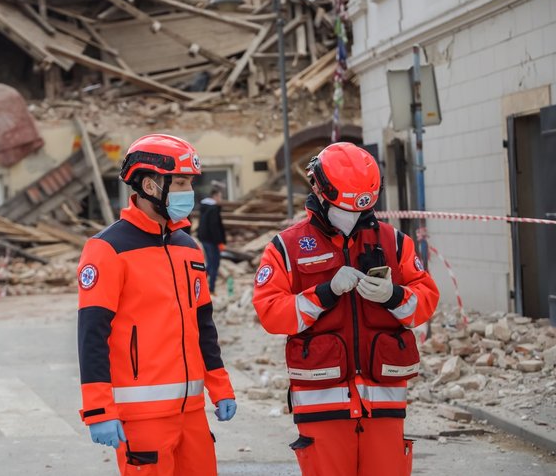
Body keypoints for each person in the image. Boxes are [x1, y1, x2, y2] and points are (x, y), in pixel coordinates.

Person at [251, 142, 440, 476]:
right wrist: (324, 293)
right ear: (319, 191)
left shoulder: (394, 242)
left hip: (384, 400)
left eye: (360, 209)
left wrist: (393, 296)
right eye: (345, 207)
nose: (353, 217)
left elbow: (425, 300)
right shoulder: (287, 247)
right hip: (321, 402)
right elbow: (271, 312)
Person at [77, 134, 237, 475]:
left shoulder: (189, 247)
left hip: (192, 416)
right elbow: (92, 335)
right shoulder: (107, 249)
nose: (188, 192)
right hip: (141, 419)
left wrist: (220, 387)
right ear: (150, 185)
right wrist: (98, 410)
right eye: (179, 182)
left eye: (189, 183)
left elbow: (203, 327)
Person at [197, 186, 226, 295]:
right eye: (220, 196)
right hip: (212, 240)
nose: (221, 199)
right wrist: (220, 242)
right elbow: (215, 227)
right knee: (214, 263)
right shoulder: (213, 208)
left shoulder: (204, 207)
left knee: (210, 263)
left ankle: (201, 283)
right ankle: (211, 289)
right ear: (215, 196)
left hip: (205, 238)